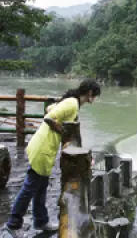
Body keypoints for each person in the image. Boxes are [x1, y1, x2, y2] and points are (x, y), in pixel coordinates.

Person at [4, 79, 101, 238]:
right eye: (95, 95)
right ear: (90, 93)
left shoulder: (71, 103)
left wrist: (83, 154)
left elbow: (51, 108)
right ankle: (13, 224)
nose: (95, 99)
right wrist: (61, 130)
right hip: (43, 148)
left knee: (41, 186)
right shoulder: (72, 104)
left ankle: (41, 221)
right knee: (30, 187)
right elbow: (49, 117)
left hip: (45, 147)